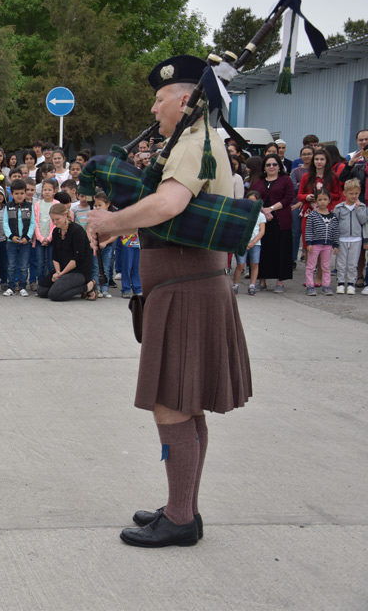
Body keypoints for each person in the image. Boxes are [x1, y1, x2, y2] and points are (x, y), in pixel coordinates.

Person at [87, 54, 251, 548]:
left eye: (160, 100)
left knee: (171, 406)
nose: (154, 109)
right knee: (187, 405)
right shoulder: (196, 139)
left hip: (186, 291)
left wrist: (109, 223)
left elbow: (168, 204)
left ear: (185, 100)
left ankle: (179, 519)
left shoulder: (196, 140)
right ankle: (184, 509)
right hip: (188, 288)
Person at [251, 154, 295, 292]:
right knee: (262, 249)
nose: (271, 167)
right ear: (264, 167)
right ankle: (261, 280)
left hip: (281, 219)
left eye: (274, 164)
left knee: (281, 249)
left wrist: (271, 209)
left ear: (279, 166)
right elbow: (252, 196)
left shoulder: (286, 180)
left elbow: (289, 198)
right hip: (261, 220)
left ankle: (280, 282)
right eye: (268, 164)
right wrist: (263, 210)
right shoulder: (258, 181)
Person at [36, 202, 96, 301]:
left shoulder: (77, 231)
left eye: (57, 219)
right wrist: (58, 272)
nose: (55, 222)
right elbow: (55, 255)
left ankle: (88, 287)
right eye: (53, 220)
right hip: (62, 269)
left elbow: (77, 258)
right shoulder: (56, 231)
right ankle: (64, 287)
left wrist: (62, 273)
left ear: (65, 215)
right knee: (41, 290)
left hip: (78, 271)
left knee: (54, 295)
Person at [333, 181, 368, 295]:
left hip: (356, 239)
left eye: (356, 193)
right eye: (351, 193)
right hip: (342, 238)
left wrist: (358, 209)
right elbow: (335, 223)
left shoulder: (362, 206)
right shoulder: (339, 207)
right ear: (345, 193)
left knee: (353, 263)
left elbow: (363, 220)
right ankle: (341, 283)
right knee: (341, 263)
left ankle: (351, 284)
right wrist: (335, 240)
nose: (354, 196)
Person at [303, 189, 339, 296]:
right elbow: (308, 229)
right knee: (311, 266)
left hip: (327, 245)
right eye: (320, 199)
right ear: (316, 201)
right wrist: (308, 243)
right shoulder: (313, 215)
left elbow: (335, 231)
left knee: (326, 266)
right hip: (314, 244)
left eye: (325, 199)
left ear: (329, 200)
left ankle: (326, 285)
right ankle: (310, 286)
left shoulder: (333, 216)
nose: (322, 202)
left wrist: (336, 244)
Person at [231, 190, 266, 296]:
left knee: (254, 263)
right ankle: (235, 284)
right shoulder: (241, 214)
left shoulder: (260, 215)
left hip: (255, 243)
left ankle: (252, 284)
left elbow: (262, 231)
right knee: (240, 264)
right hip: (242, 243)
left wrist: (253, 242)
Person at [2, 180, 34, 297]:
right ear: (12, 194)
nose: (19, 195)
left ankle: (22, 287)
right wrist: (10, 236)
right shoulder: (8, 207)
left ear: (25, 193)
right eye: (16, 193)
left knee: (24, 266)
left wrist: (27, 237)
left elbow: (32, 224)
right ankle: (11, 286)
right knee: (11, 265)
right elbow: (5, 223)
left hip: (25, 242)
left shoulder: (29, 207)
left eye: (21, 193)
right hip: (11, 242)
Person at [93, 194, 117, 298]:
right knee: (95, 267)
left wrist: (105, 242)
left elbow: (115, 234)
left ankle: (105, 289)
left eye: (100, 205)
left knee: (106, 267)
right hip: (95, 247)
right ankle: (96, 288)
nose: (97, 208)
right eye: (96, 205)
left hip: (107, 246)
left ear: (107, 204)